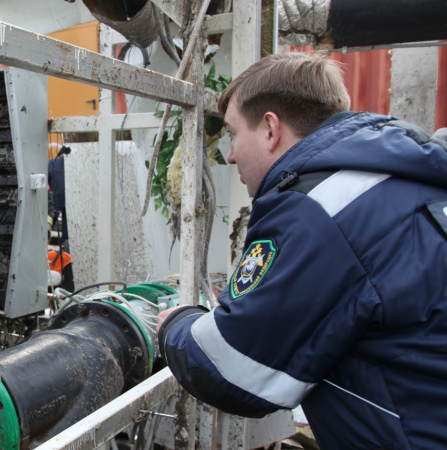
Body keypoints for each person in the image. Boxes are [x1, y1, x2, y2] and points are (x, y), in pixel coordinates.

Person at [156, 52, 447, 449]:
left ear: (270, 129)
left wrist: (177, 324)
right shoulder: (395, 174)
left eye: (233, 132)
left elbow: (233, 368)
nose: (231, 153)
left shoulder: (321, 208)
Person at [47, 144, 70, 244]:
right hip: (61, 202)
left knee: (49, 225)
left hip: (58, 202)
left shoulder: (52, 162)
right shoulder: (53, 163)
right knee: (65, 229)